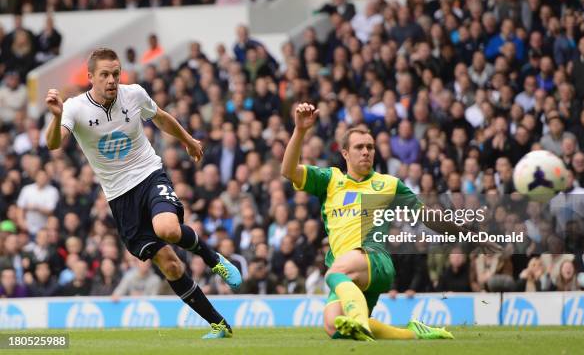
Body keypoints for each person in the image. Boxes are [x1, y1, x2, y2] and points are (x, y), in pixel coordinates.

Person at [44, 48, 241, 339]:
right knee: (170, 265)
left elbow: (160, 117)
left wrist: (187, 140)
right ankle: (219, 324)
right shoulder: (74, 108)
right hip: (120, 197)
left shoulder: (134, 94)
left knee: (168, 229)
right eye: (105, 75)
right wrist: (56, 116)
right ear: (90, 77)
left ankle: (214, 260)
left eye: (116, 73)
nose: (112, 80)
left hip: (149, 175)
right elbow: (54, 144)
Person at [281, 103, 467, 341]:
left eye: (370, 147)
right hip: (349, 274)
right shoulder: (330, 180)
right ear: (345, 153)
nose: (366, 152)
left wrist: (464, 232)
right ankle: (414, 334)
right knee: (334, 327)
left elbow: (427, 215)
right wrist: (300, 131)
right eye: (359, 147)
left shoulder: (388, 184)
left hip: (374, 258)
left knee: (333, 273)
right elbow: (288, 171)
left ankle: (358, 320)